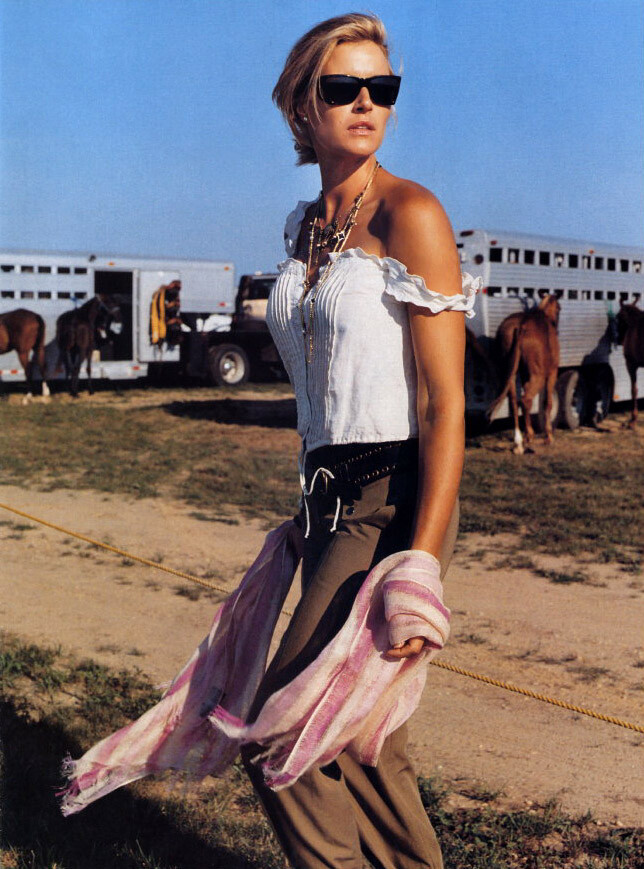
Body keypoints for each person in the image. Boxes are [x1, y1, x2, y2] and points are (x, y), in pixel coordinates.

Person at [240, 12, 479, 869]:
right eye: (343, 87)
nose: (367, 102)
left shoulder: (411, 214)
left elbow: (445, 407)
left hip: (391, 498)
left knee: (283, 732)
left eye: (382, 87)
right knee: (365, 739)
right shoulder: (304, 226)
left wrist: (420, 567)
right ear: (301, 107)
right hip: (323, 501)